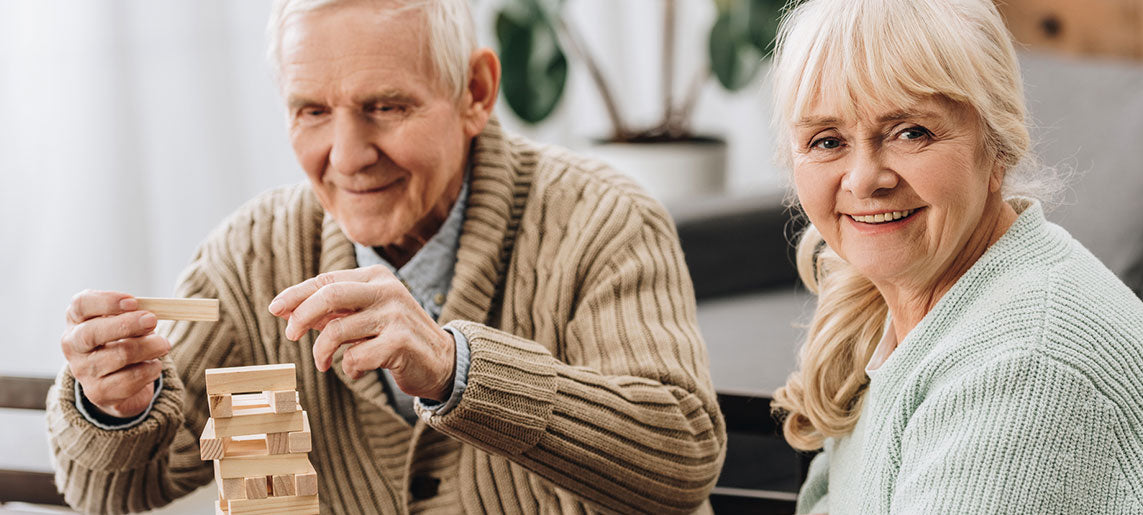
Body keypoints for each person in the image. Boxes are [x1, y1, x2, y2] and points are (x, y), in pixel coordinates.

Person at [48, 1, 725, 513]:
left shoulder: (600, 219)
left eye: (385, 106)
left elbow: (682, 456)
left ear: (476, 93)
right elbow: (108, 492)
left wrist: (456, 370)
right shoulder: (253, 254)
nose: (346, 156)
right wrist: (112, 408)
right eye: (311, 111)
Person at [767, 0, 1143, 512]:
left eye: (912, 132)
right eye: (827, 141)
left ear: (997, 147)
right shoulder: (900, 307)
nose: (866, 178)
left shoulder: (1027, 364)